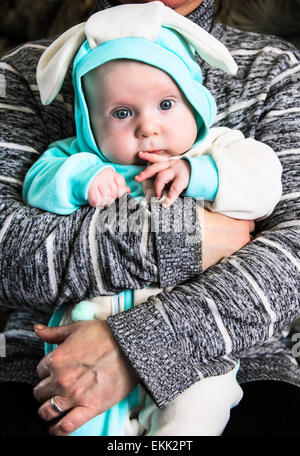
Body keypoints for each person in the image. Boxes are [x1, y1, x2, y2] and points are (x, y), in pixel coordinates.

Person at [0, 0, 299, 437]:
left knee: (193, 418)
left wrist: (136, 344)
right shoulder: (29, 81)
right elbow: (8, 244)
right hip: (56, 356)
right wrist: (189, 241)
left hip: (227, 350)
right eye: (122, 113)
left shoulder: (264, 83)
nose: (148, 128)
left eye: (166, 105)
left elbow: (291, 252)